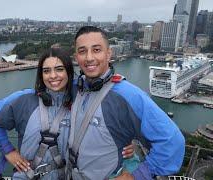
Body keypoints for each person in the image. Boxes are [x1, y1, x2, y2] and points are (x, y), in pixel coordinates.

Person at [0, 47, 136, 179]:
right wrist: (8, 151)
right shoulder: (24, 100)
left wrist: (126, 144)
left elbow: (107, 125)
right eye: (46, 71)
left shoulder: (83, 101)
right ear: (40, 75)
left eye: (59, 69)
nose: (53, 76)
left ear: (69, 72)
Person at [67, 26, 185, 180]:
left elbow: (172, 141)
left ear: (109, 54)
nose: (89, 57)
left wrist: (139, 174)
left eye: (96, 50)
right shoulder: (75, 88)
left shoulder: (128, 94)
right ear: (76, 57)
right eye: (82, 51)